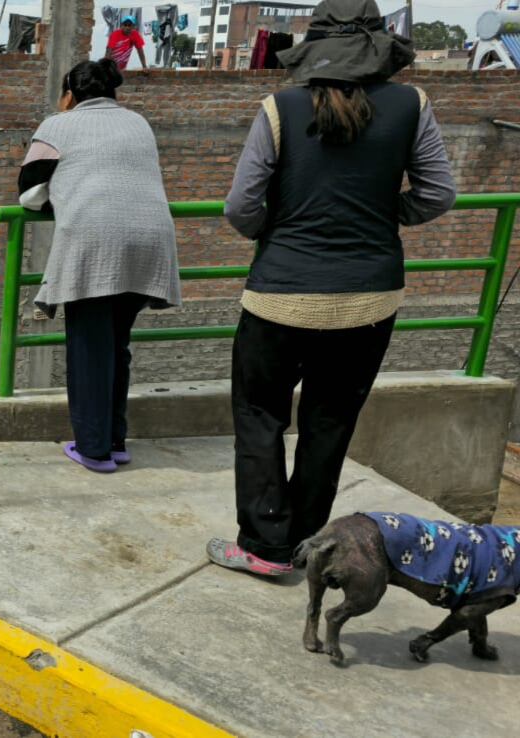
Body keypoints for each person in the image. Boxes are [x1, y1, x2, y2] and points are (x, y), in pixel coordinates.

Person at [206, 0, 454, 577]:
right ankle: (304, 544)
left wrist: (276, 229)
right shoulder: (412, 105)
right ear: (379, 47)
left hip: (279, 296)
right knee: (330, 422)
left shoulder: (280, 108)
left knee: (260, 415)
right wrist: (386, 213)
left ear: (312, 47)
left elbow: (240, 206)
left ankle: (264, 548)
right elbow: (439, 194)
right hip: (369, 300)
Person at [18, 59, 181, 472]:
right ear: (113, 92)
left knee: (89, 350)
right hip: (149, 242)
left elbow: (30, 192)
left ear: (69, 94)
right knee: (114, 345)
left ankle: (93, 449)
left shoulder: (58, 124)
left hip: (95, 242)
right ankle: (115, 440)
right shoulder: (138, 123)